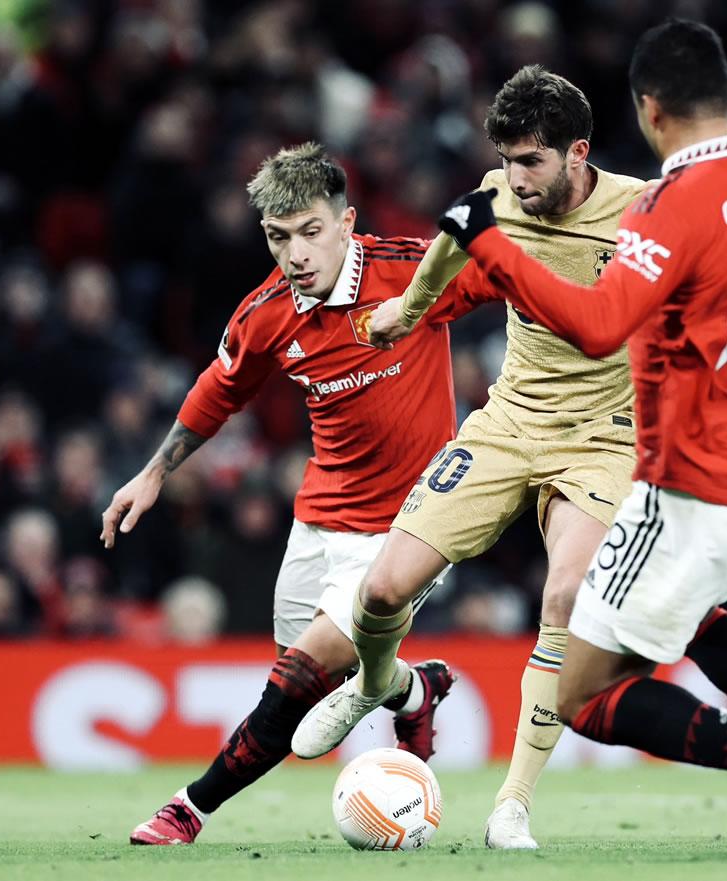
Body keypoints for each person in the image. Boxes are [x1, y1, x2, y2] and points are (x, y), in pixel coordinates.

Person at [293, 66, 727, 854]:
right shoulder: (499, 195)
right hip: (509, 421)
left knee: (568, 595)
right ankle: (379, 685)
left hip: (608, 436)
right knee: (381, 589)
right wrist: (406, 311)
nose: (515, 179)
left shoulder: (650, 209)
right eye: (506, 161)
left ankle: (512, 805)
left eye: (531, 162)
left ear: (577, 153)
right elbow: (450, 244)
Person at [103, 142, 494, 845]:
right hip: (319, 522)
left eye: (311, 231)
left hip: (409, 527)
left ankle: (188, 809)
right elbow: (219, 390)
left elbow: (512, 277)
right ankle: (414, 690)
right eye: (279, 237)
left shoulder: (412, 271)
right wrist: (154, 472)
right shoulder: (266, 313)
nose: (296, 253)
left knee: (294, 684)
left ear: (346, 223)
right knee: (313, 692)